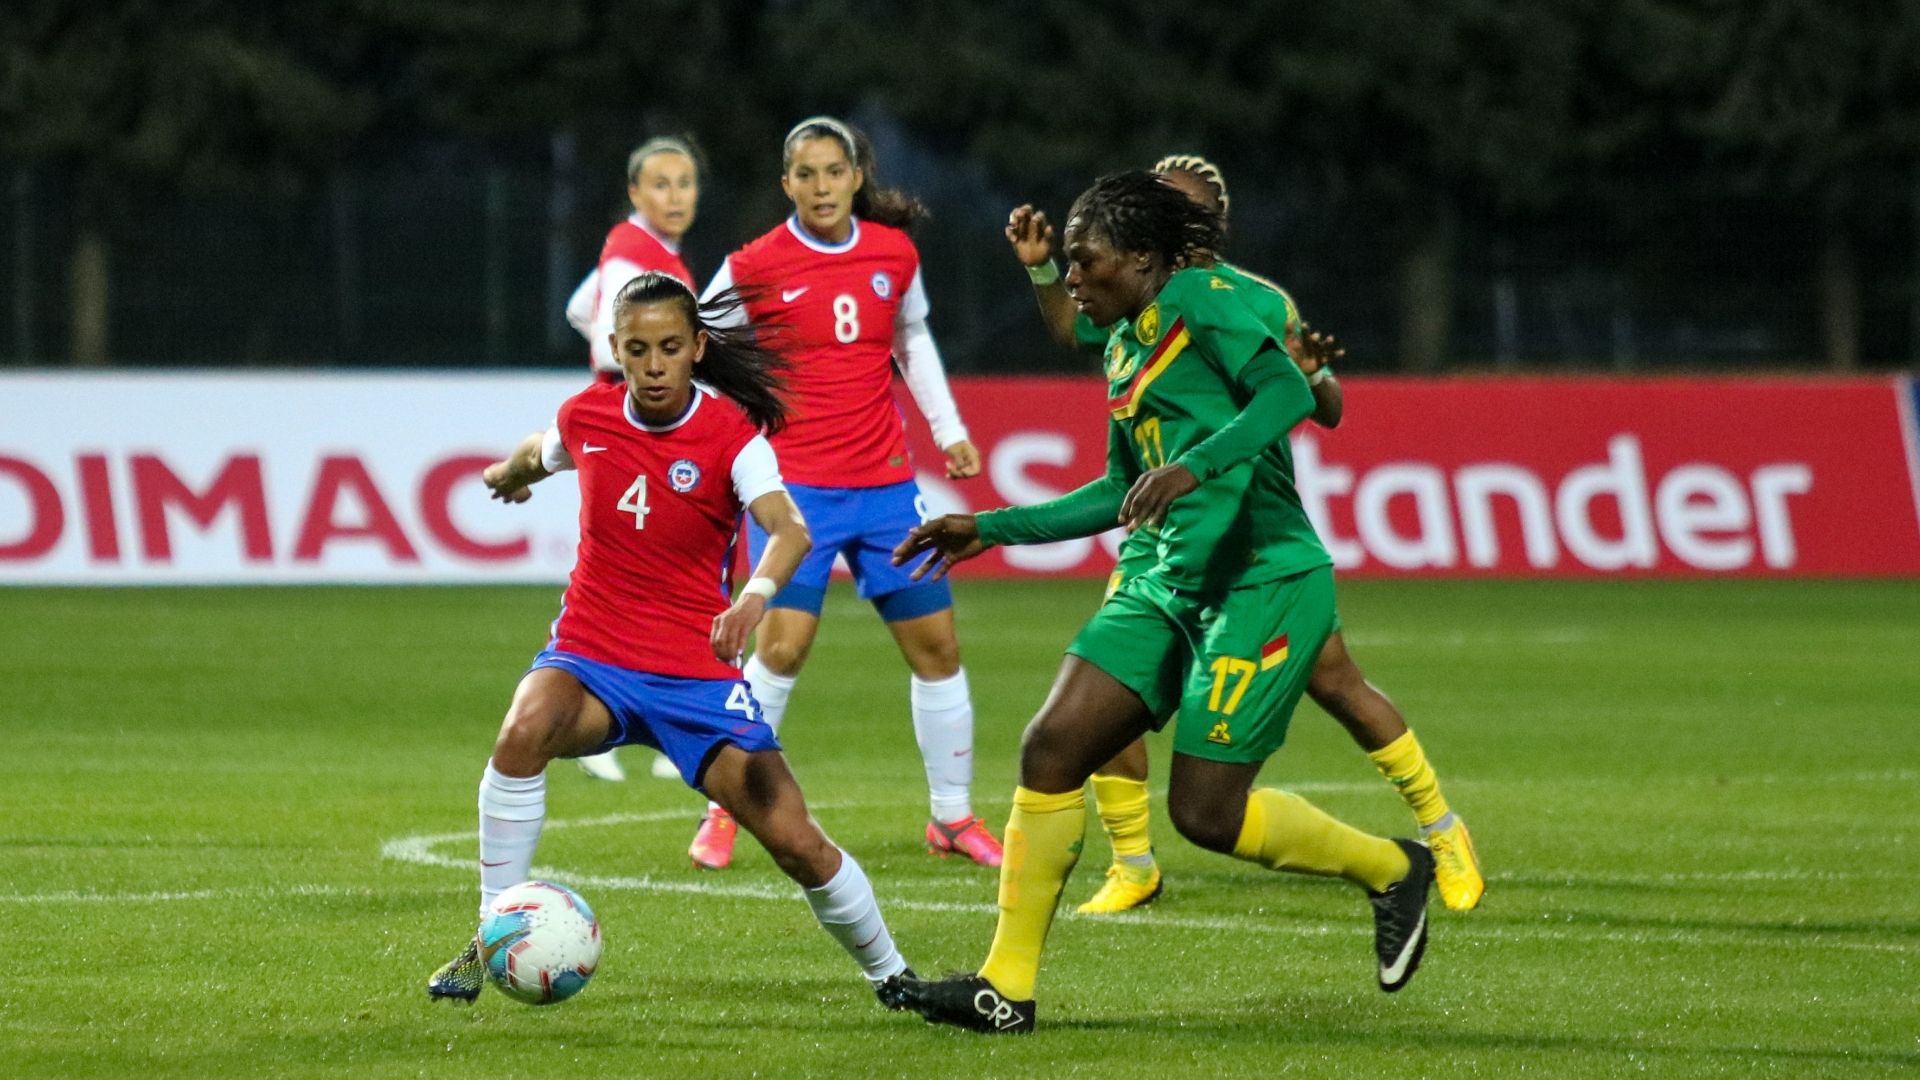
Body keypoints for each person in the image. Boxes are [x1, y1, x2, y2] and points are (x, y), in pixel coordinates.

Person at [890, 171, 1433, 1034]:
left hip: (1262, 580)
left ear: (1140, 259)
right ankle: (1006, 987)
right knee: (1054, 746)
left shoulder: (1206, 299)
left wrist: (1197, 464)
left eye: (1083, 259)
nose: (1070, 277)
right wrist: (988, 527)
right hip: (1167, 580)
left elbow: (1291, 393)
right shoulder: (1122, 342)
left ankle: (1393, 868)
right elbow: (1117, 487)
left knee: (1206, 815)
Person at [1003, 153, 1485, 916]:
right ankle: (1132, 859)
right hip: (1161, 536)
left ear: (1213, 221)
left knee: (1340, 686)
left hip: (1249, 533)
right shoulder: (1140, 302)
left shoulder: (1251, 300)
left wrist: (1316, 379)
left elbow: (1308, 400)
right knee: (1101, 695)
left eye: (1186, 206)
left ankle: (1440, 830)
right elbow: (1078, 333)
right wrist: (1039, 272)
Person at [427, 271, 915, 1010]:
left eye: (668, 348)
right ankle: (492, 933)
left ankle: (895, 978)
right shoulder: (588, 416)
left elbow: (789, 530)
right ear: (616, 351)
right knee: (523, 730)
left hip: (696, 678)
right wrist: (506, 474)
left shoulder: (730, 437)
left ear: (696, 348)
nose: (653, 366)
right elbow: (544, 450)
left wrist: (754, 598)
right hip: (591, 658)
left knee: (795, 842)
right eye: (636, 350)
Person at [687, 116, 1001, 871]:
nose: (821, 186)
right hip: (797, 496)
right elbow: (697, 341)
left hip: (887, 486)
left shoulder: (894, 252)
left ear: (857, 175)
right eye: (806, 173)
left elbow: (912, 339)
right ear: (786, 183)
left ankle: (952, 819)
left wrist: (948, 427)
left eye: (835, 171)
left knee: (938, 648)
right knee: (783, 648)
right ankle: (726, 809)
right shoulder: (755, 263)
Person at [565, 135, 706, 783]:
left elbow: (579, 306)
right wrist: (641, 384)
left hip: (633, 426)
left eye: (685, 184)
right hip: (638, 431)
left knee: (638, 573)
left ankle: (639, 722)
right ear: (636, 192)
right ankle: (620, 723)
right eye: (661, 184)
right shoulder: (636, 257)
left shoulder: (640, 253)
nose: (674, 196)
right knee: (654, 570)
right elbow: (603, 343)